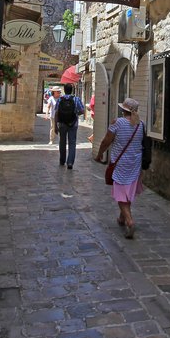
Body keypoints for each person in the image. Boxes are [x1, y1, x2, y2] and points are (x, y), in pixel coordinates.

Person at [95, 96, 144, 239]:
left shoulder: (117, 123)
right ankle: (122, 218)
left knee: (121, 192)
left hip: (120, 163)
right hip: (135, 163)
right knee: (127, 191)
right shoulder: (141, 124)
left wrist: (100, 154)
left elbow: (106, 141)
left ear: (124, 110)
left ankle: (129, 221)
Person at [55, 84, 84, 169]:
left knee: (62, 142)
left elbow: (56, 113)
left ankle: (62, 160)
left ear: (64, 90)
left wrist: (56, 125)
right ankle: (70, 162)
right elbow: (82, 111)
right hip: (73, 124)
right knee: (72, 143)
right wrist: (75, 114)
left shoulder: (60, 99)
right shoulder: (76, 99)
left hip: (62, 123)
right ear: (72, 90)